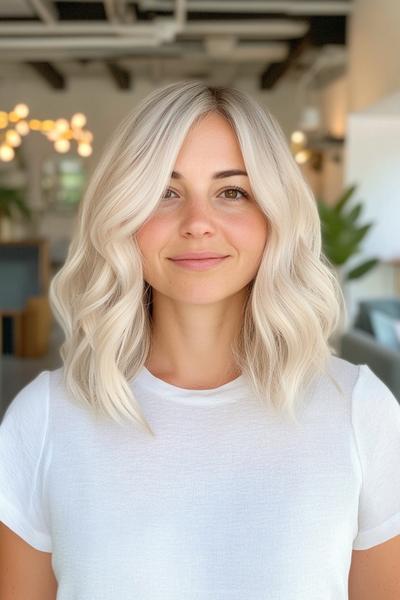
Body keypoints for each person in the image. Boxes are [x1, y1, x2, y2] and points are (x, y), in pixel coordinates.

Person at [1, 80, 400, 599]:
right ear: (123, 213)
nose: (197, 224)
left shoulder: (358, 411)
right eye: (165, 192)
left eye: (232, 192)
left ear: (274, 216)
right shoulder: (46, 418)